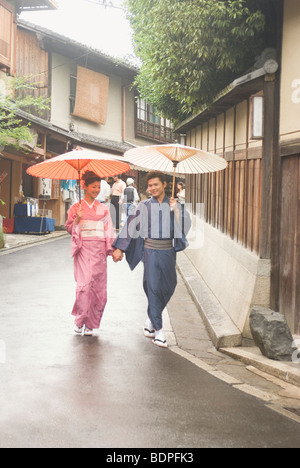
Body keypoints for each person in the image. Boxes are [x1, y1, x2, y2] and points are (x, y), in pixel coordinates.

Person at [112, 171, 191, 349]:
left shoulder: (175, 205)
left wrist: (176, 210)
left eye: (156, 184)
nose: (152, 188)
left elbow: (184, 228)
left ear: (164, 184)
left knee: (169, 286)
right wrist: (119, 248)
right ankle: (159, 331)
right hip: (150, 251)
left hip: (168, 251)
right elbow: (131, 227)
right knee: (153, 287)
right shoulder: (144, 206)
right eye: (150, 185)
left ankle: (150, 319)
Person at [65, 171, 115, 336]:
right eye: (93, 186)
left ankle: (91, 323)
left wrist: (112, 250)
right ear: (84, 186)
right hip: (84, 249)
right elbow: (69, 228)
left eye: (98, 187)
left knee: (98, 289)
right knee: (84, 287)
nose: (96, 190)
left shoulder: (103, 209)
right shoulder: (75, 208)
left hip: (99, 251)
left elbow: (108, 231)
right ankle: (80, 319)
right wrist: (77, 219)